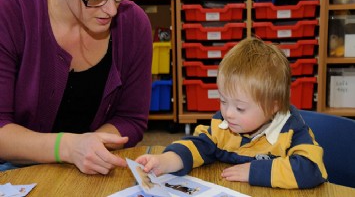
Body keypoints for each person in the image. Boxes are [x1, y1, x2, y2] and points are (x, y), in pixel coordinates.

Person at [136, 37, 328, 189]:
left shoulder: (292, 130)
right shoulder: (223, 124)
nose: (228, 113)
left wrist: (255, 172)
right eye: (223, 101)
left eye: (240, 108)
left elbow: (312, 169)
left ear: (273, 106)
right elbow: (196, 146)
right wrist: (165, 161)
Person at [0, 0, 152, 174]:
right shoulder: (10, 10)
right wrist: (68, 148)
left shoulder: (133, 24)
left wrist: (91, 149)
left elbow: (130, 118)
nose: (111, 10)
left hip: (87, 174)